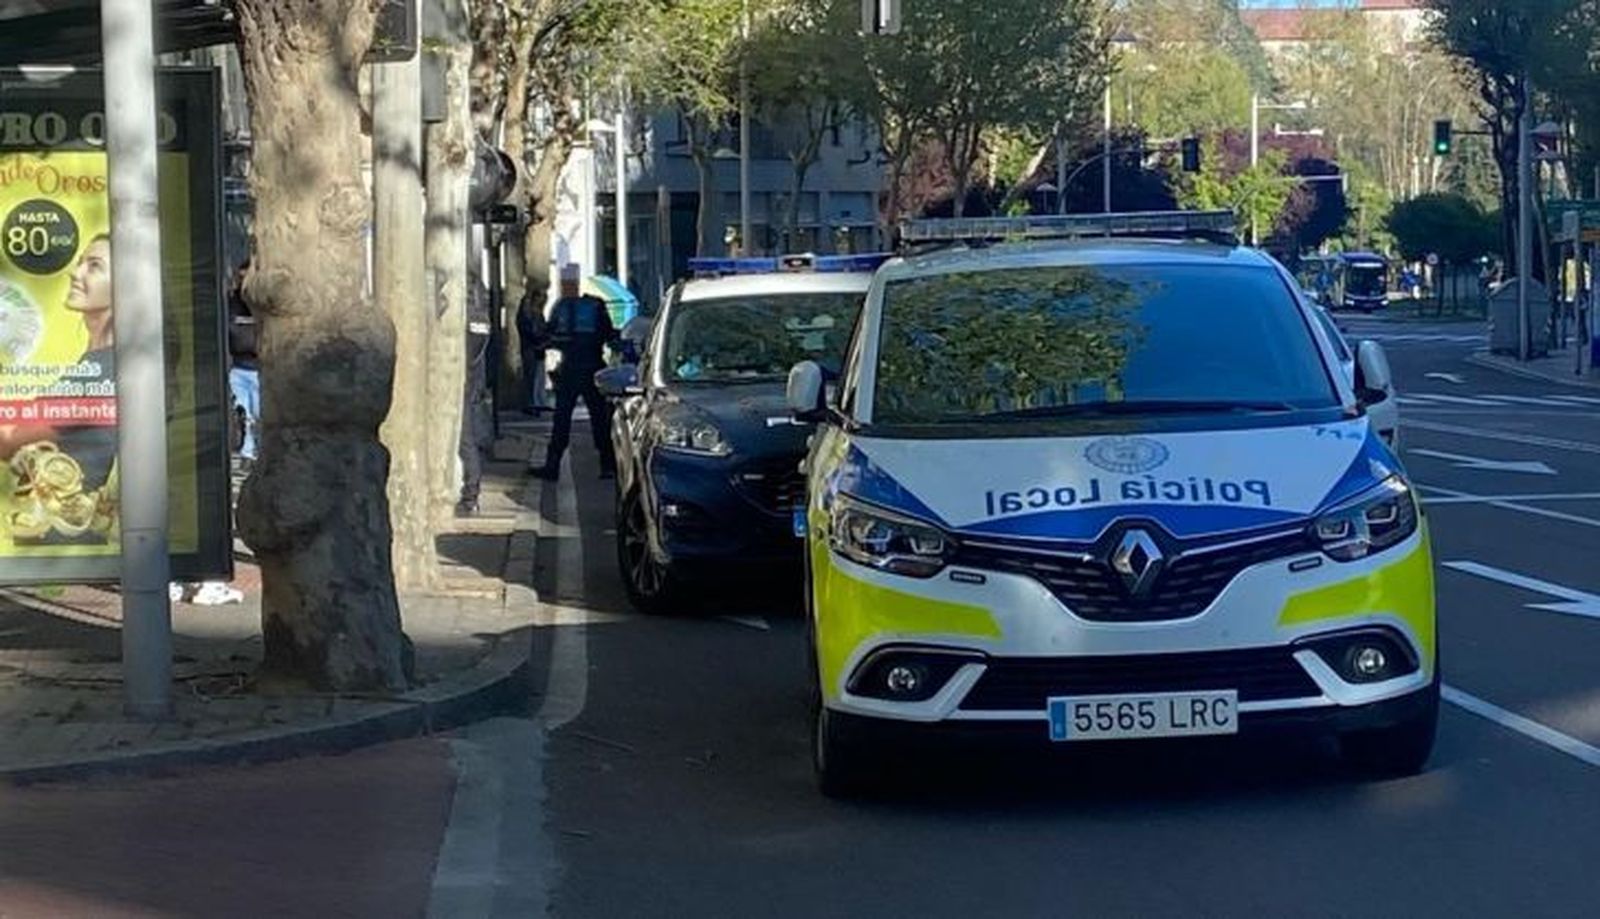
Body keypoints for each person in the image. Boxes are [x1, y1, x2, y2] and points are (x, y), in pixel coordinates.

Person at [529, 264, 617, 481]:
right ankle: (607, 465)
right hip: (593, 368)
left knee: (562, 419)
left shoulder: (561, 307)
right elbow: (609, 335)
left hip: (570, 370)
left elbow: (547, 336)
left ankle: (552, 466)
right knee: (599, 418)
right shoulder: (595, 306)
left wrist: (545, 344)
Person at [456, 279, 494, 517]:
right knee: (468, 438)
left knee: (465, 439)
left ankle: (470, 495)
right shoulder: (482, 320)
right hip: (473, 381)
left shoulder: (466, 317)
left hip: (462, 381)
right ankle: (471, 494)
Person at [227, 259, 260, 470]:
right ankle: (248, 453)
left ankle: (258, 450)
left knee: (258, 414)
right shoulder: (231, 303)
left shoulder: (261, 305)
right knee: (244, 414)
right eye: (240, 277)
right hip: (238, 368)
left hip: (259, 370)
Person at [515, 287, 549, 415]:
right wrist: (539, 340)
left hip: (537, 347)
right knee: (531, 376)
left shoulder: (537, 313)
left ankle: (537, 401)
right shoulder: (529, 314)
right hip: (531, 347)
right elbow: (529, 331)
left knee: (537, 376)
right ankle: (531, 403)